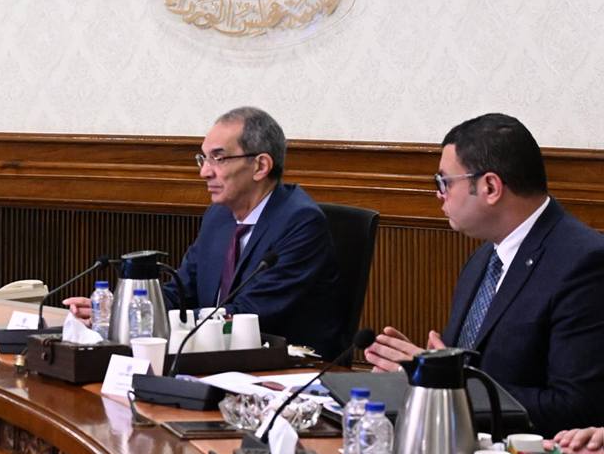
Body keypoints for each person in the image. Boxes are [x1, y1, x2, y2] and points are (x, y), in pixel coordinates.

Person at [365, 113, 604, 436]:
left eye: (445, 182)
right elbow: (469, 371)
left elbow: (574, 408)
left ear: (490, 187)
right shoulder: (485, 257)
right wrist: (427, 369)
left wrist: (444, 381)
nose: (438, 194)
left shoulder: (584, 263)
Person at [64, 107, 347, 354]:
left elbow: (249, 314)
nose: (204, 172)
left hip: (288, 369)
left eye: (218, 159)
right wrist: (120, 310)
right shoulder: (219, 216)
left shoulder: (300, 222)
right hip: (218, 358)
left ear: (260, 166)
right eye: (203, 159)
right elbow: (181, 291)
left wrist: (173, 320)